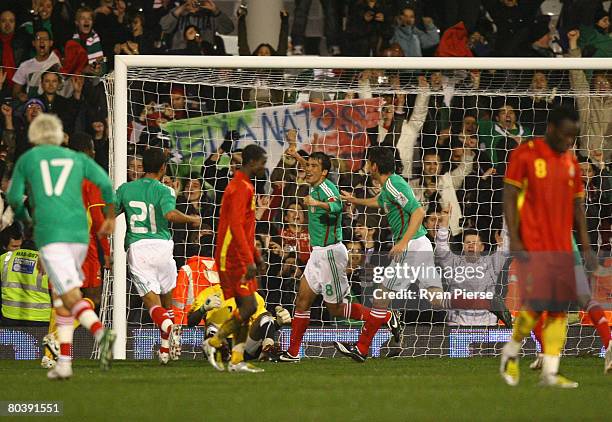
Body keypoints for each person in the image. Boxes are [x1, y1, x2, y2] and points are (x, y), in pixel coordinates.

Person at [335, 147, 511, 361]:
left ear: (374, 165)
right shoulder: (390, 187)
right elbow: (379, 202)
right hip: (420, 245)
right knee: (436, 299)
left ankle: (361, 348)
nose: (366, 166)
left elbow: (418, 212)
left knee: (381, 298)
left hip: (412, 247)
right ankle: (488, 303)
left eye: (368, 162)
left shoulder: (394, 184)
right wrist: (355, 201)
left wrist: (402, 242)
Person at [6, 114, 116, 379]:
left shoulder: (30, 159)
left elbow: (13, 198)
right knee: (61, 298)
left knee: (67, 295)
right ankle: (63, 362)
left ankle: (101, 333)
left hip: (53, 233)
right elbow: (106, 184)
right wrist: (111, 218)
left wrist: (27, 219)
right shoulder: (78, 161)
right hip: (79, 235)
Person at [500, 106, 598, 388]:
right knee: (541, 303)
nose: (570, 141)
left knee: (557, 310)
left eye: (574, 136)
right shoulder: (526, 153)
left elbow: (578, 207)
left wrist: (586, 246)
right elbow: (509, 194)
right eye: (567, 135)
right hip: (533, 243)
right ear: (552, 128)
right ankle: (512, 350)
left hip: (561, 246)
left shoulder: (570, 161)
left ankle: (549, 371)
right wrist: (515, 238)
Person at [277, 149, 401, 363]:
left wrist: (316, 204)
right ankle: (293, 352)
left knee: (336, 309)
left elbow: (336, 206)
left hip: (331, 254)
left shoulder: (326, 187)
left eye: (313, 167)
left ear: (324, 172)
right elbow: (307, 167)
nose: (307, 170)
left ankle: (387, 317)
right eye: (307, 166)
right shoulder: (315, 182)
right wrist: (295, 152)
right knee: (302, 302)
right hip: (317, 254)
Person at [115, 148, 201, 365]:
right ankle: (165, 350)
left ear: (143, 166)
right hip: (163, 247)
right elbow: (170, 214)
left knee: (152, 305)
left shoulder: (125, 189)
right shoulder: (166, 190)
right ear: (163, 168)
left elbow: (109, 213)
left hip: (139, 248)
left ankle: (168, 329)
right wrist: (191, 218)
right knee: (168, 303)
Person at [202, 144, 268, 373]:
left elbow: (246, 228)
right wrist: (248, 259)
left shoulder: (244, 185)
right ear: (252, 162)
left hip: (240, 253)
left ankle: (237, 359)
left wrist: (256, 256)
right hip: (233, 256)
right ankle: (214, 341)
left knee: (244, 308)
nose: (264, 167)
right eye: (262, 162)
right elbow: (236, 226)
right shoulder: (240, 187)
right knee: (249, 306)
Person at [187, 283, 292, 362]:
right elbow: (190, 322)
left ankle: (268, 350)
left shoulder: (252, 296)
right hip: (220, 342)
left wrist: (278, 322)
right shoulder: (208, 293)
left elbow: (263, 326)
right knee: (212, 327)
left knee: (266, 316)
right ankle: (221, 351)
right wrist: (203, 309)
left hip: (245, 347)